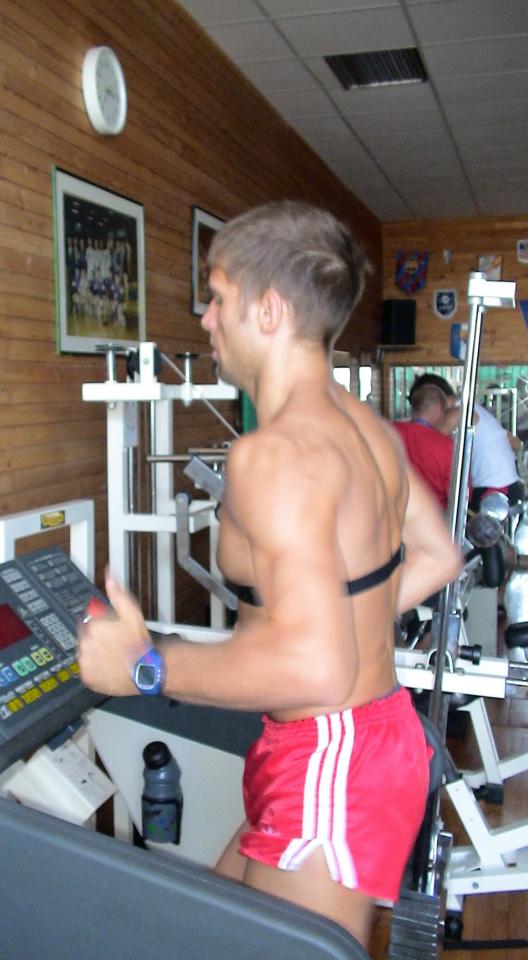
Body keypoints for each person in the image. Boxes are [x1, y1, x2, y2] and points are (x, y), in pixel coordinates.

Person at [77, 201, 461, 947]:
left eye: (218, 297)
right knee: (202, 933)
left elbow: (315, 668)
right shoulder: (365, 427)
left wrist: (144, 666)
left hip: (331, 757)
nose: (206, 319)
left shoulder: (274, 454)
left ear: (270, 309)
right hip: (356, 737)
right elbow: (437, 555)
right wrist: (346, 633)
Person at [410, 373, 524, 512]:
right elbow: (514, 443)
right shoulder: (471, 408)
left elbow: (427, 442)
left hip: (495, 490)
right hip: (504, 485)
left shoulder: (460, 411)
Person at [392, 382, 455, 509]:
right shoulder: (446, 446)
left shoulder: (389, 432)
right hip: (434, 513)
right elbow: (457, 492)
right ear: (437, 409)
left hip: (394, 510)